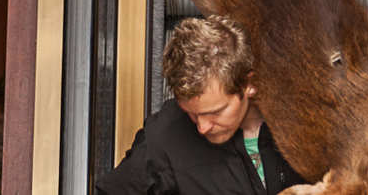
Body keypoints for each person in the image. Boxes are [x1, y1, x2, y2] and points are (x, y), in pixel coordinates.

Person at [96, 16, 305, 194]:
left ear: (249, 84)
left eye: (215, 112)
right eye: (192, 114)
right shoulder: (165, 136)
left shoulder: (305, 122)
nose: (202, 127)